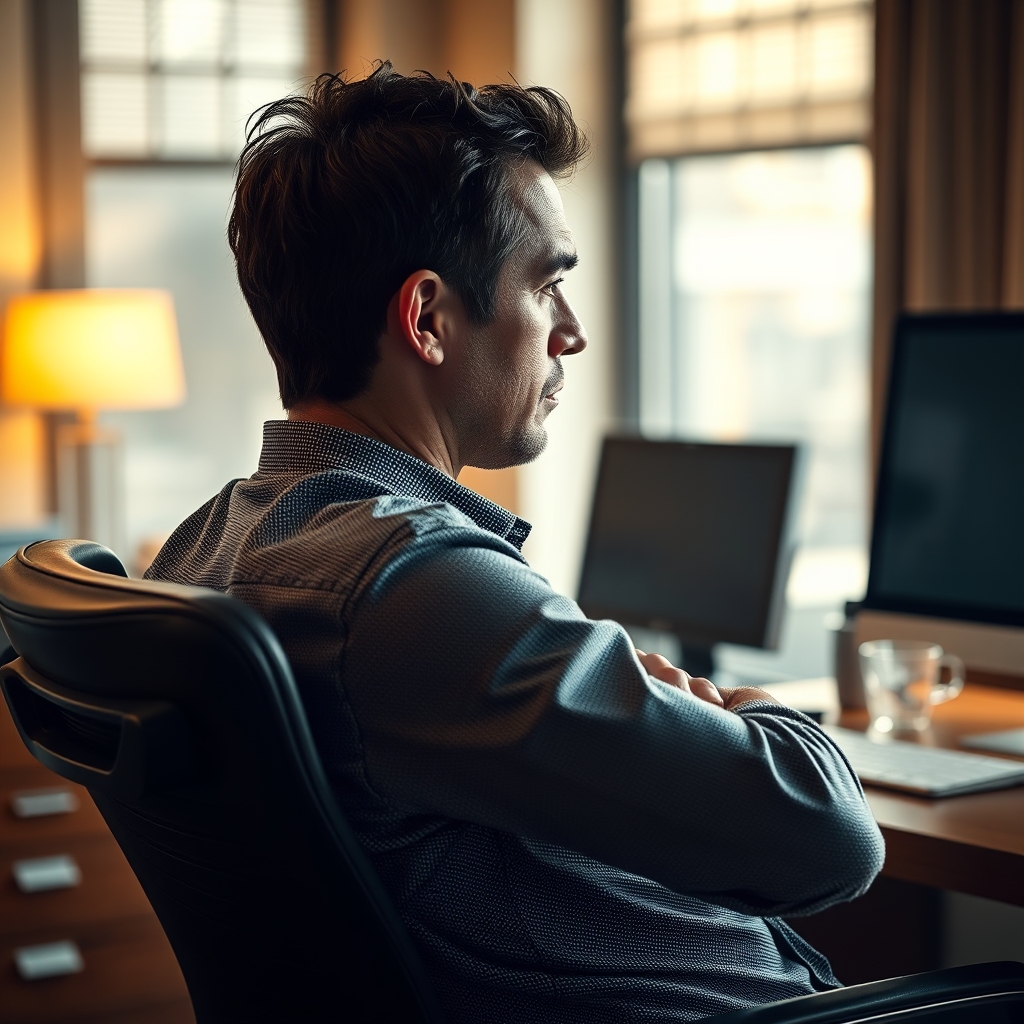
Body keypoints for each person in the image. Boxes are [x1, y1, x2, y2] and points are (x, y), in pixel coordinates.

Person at [147, 63, 884, 1023]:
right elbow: (828, 835)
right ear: (427, 319)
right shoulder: (411, 587)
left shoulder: (203, 550)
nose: (570, 333)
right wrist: (759, 712)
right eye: (548, 285)